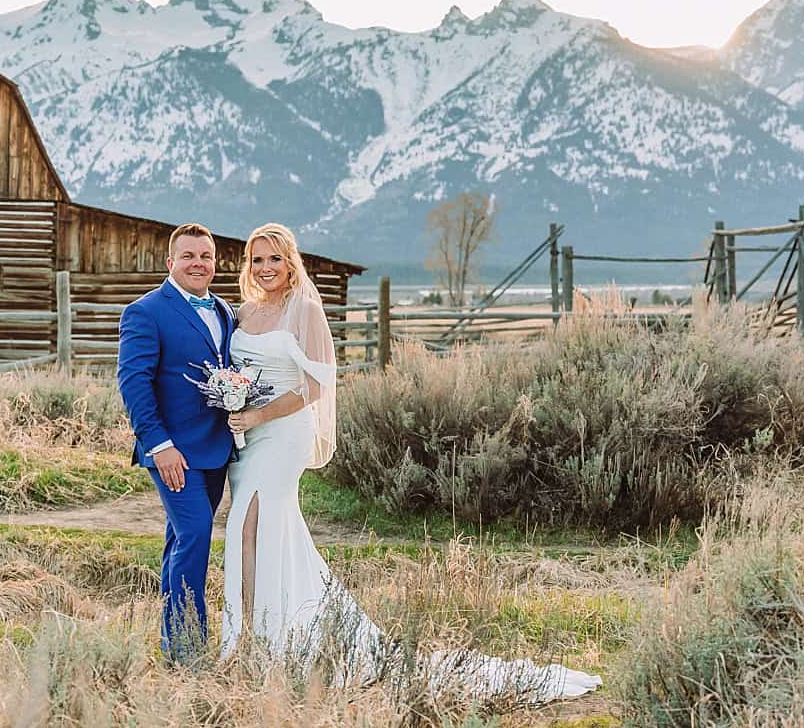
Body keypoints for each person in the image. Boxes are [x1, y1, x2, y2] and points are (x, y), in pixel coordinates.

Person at [221, 222, 602, 702]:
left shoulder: (306, 310)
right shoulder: (246, 311)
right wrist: (235, 402)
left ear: (291, 261)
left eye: (275, 258)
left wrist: (258, 412)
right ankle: (258, 637)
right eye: (257, 259)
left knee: (250, 521)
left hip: (283, 432)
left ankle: (256, 643)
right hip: (249, 438)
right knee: (258, 532)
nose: (266, 268)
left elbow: (315, 386)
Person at [116, 222, 235, 660]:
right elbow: (134, 383)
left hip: (217, 449)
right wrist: (159, 446)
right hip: (173, 453)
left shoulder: (223, 310)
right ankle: (189, 648)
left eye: (205, 256)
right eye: (188, 256)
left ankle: (172, 643)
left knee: (181, 540)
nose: (197, 263)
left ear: (214, 263)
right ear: (170, 262)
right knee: (197, 533)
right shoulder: (146, 311)